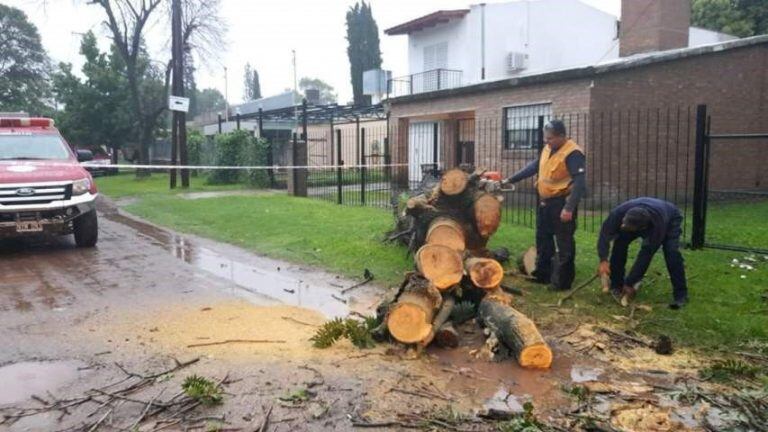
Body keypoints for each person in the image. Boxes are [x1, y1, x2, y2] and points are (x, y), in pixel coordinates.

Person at [502, 120, 586, 290]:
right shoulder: (548, 149)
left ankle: (562, 282)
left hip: (561, 202)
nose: (547, 141)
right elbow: (534, 166)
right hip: (544, 202)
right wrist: (511, 179)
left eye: (550, 138)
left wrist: (569, 208)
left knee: (564, 243)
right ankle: (543, 274)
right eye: (545, 138)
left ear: (562, 136)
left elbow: (579, 183)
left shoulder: (573, 153)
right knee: (543, 238)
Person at [596, 197, 689, 309]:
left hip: (669, 217)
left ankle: (681, 295)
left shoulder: (657, 227)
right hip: (642, 213)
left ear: (643, 228)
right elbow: (604, 235)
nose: (622, 226)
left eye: (628, 227)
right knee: (619, 244)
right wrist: (603, 260)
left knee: (671, 252)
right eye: (624, 224)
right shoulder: (618, 214)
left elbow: (646, 255)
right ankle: (616, 284)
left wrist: (631, 282)